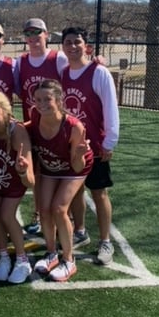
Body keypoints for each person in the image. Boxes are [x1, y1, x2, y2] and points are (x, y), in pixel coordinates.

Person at [61, 26, 120, 265]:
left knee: (99, 193)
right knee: (75, 192)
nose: (73, 46)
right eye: (68, 42)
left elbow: (110, 108)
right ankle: (80, 232)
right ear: (63, 47)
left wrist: (109, 142)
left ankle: (105, 241)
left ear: (86, 46)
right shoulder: (64, 73)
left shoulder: (99, 72)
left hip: (95, 146)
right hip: (73, 147)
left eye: (77, 42)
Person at [26, 79, 93, 282]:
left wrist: (80, 153)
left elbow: (77, 166)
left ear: (58, 99)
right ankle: (51, 253)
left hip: (73, 167)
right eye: (38, 99)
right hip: (50, 166)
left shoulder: (73, 126)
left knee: (59, 208)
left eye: (47, 99)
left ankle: (69, 260)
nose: (42, 103)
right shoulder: (34, 117)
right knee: (44, 208)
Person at [14, 18, 68, 234]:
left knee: (63, 171)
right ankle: (37, 214)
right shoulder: (21, 61)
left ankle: (69, 217)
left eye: (37, 32)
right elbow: (19, 90)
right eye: (29, 33)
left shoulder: (58, 58)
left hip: (58, 127)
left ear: (46, 34)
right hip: (34, 127)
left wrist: (97, 61)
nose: (33, 37)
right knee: (36, 172)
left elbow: (72, 77)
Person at [0, 92, 35, 284]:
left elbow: (30, 181)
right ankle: (3, 256)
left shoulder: (17, 131)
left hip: (15, 181)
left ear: (5, 111)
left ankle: (22, 260)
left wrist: (22, 171)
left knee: (6, 215)